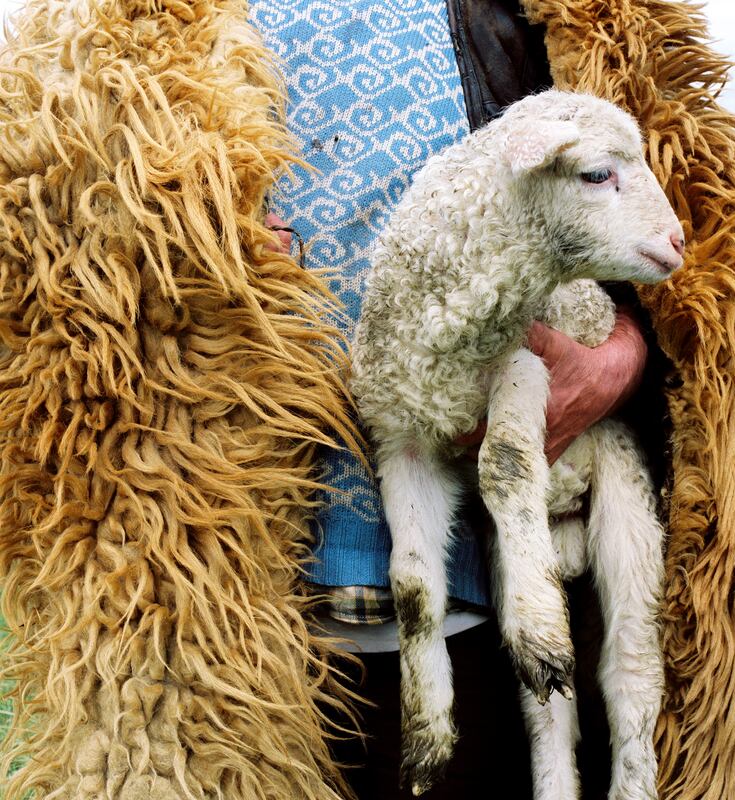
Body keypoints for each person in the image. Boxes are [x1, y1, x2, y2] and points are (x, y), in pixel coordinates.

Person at [252, 2, 654, 797]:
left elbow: (680, 238)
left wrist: (618, 358)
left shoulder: (553, 11)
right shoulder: (163, 25)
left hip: (502, 593)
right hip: (255, 612)